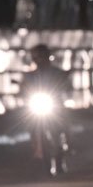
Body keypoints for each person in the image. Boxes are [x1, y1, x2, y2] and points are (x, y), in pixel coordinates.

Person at [20, 44, 72, 174]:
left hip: (54, 104)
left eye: (42, 56)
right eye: (37, 56)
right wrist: (23, 92)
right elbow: (23, 89)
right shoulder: (30, 75)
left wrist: (64, 84)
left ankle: (66, 148)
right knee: (31, 123)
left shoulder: (57, 73)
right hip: (38, 104)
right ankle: (37, 149)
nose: (40, 59)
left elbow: (65, 84)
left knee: (63, 124)